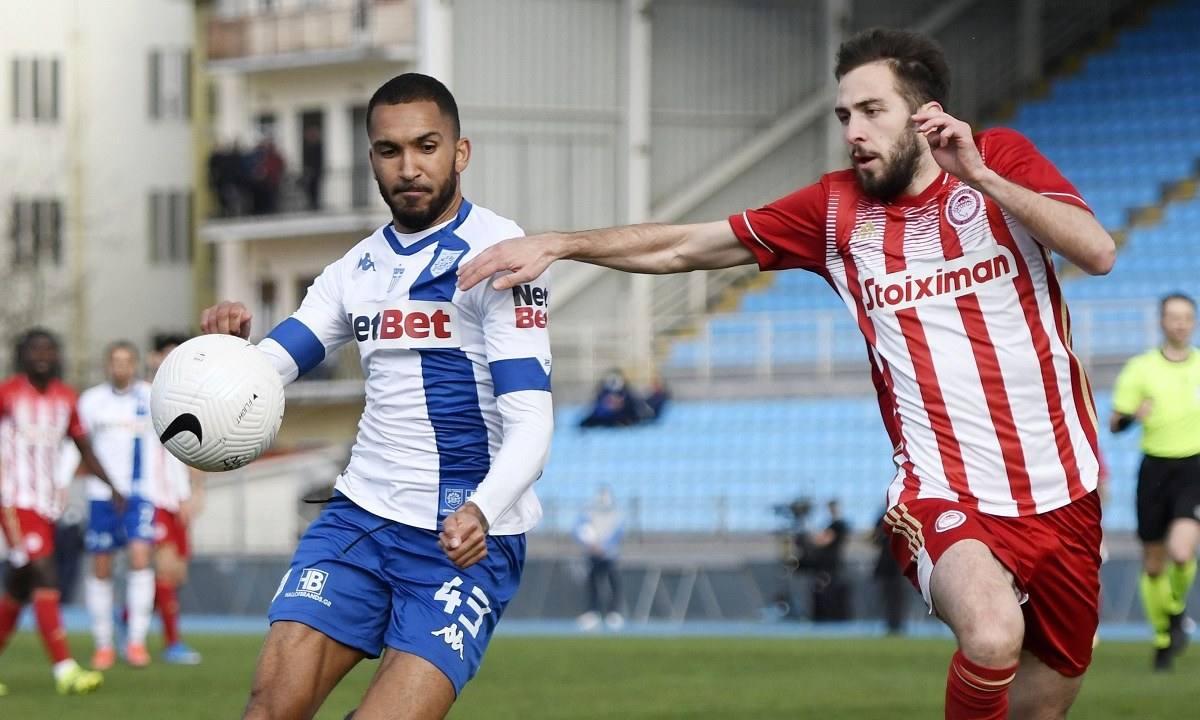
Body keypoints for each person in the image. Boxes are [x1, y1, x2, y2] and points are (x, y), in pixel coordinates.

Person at [458, 27, 1115, 720]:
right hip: (942, 489)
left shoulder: (1000, 158)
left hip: (1065, 492)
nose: (853, 132)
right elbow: (685, 248)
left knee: (1043, 707)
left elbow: (1097, 253)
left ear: (925, 115)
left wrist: (981, 176)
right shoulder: (834, 211)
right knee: (992, 634)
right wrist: (563, 244)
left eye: (872, 111)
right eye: (844, 115)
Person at [200, 72, 554, 720]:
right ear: (372, 159)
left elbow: (532, 421)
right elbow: (274, 363)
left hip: (464, 536)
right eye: (390, 151)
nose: (409, 167)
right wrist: (232, 357)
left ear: (460, 152)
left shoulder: (501, 256)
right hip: (359, 519)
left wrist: (481, 510)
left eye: (426, 146)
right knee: (270, 709)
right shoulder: (353, 270)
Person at [0, 329, 122, 695]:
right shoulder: (7, 394)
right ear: (22, 355)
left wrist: (113, 486)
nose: (42, 355)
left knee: (19, 586)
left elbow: (84, 448)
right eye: (34, 349)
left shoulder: (66, 399)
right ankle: (65, 670)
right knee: (45, 571)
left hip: (46, 505)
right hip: (13, 501)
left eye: (49, 349)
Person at [1110, 292, 1200, 671]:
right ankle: (1165, 633)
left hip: (1193, 468)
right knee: (1153, 564)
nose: (1180, 323)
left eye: (1187, 317)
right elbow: (1114, 424)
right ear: (1162, 322)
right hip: (1154, 470)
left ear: (1193, 322)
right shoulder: (1141, 368)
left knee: (1181, 552)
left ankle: (1175, 609)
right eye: (1173, 316)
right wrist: (1134, 416)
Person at [72, 341, 159, 670]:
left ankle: (136, 641)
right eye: (115, 361)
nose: (121, 367)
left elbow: (168, 444)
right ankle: (104, 644)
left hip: (140, 493)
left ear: (135, 365)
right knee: (101, 566)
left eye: (127, 361)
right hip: (101, 494)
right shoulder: (91, 400)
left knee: (140, 559)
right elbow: (76, 445)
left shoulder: (151, 397)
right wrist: (61, 482)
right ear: (108, 365)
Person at [145, 333, 206, 665]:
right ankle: (172, 643)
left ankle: (128, 617)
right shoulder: (142, 397)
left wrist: (196, 491)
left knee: (177, 575)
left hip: (177, 499)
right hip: (151, 499)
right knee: (166, 569)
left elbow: (196, 448)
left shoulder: (190, 401)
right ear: (155, 359)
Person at [573, 485, 625, 631]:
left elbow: (617, 533)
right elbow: (578, 530)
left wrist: (604, 546)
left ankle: (613, 613)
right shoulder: (589, 513)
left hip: (609, 555)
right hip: (593, 555)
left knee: (613, 581)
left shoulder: (616, 514)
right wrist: (590, 544)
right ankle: (592, 612)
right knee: (592, 582)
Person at [803, 500, 851, 622]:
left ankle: (830, 617)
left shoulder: (838, 526)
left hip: (831, 565)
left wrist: (811, 538)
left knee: (828, 591)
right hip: (826, 565)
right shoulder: (832, 525)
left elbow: (823, 540)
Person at [871, 507, 909, 635]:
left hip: (894, 564)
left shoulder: (893, 517)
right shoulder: (895, 517)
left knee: (894, 597)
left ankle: (895, 623)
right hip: (891, 563)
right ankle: (892, 623)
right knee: (891, 596)